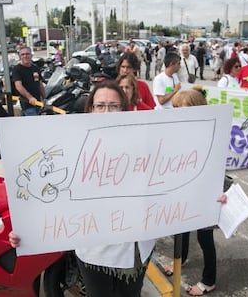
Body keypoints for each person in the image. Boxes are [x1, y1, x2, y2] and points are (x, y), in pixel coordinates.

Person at [9, 81, 155, 297]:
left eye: (114, 106)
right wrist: (26, 230)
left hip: (133, 249)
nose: (107, 111)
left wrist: (206, 200)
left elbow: (167, 186)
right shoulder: (70, 148)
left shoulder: (145, 145)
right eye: (100, 105)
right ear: (90, 109)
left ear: (124, 109)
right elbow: (52, 192)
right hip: (92, 251)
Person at [171, 87, 230, 296]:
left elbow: (220, 168)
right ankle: (181, 259)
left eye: (183, 110)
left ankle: (208, 280)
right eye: (176, 109)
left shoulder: (212, 135)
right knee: (181, 228)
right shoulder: (176, 132)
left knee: (205, 240)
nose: (179, 114)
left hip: (205, 195)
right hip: (183, 192)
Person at [12, 46, 45, 116]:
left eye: (27, 54)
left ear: (31, 55)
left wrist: (44, 98)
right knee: (34, 124)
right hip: (27, 104)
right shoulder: (17, 69)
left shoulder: (35, 68)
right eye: (22, 54)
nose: (25, 56)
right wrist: (30, 97)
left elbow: (40, 84)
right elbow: (18, 86)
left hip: (38, 103)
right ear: (20, 56)